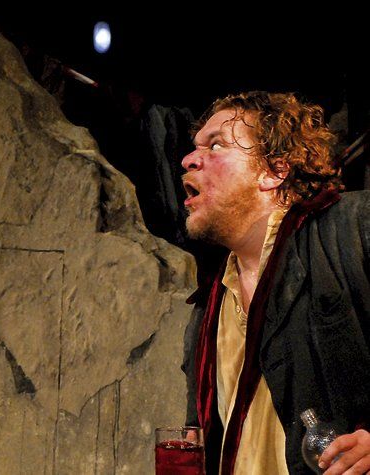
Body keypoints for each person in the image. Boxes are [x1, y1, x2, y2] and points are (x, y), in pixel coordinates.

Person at [180, 91, 370, 474]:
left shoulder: (352, 229)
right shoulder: (207, 309)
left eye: (216, 145)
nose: (188, 160)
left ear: (274, 171)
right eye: (195, 147)